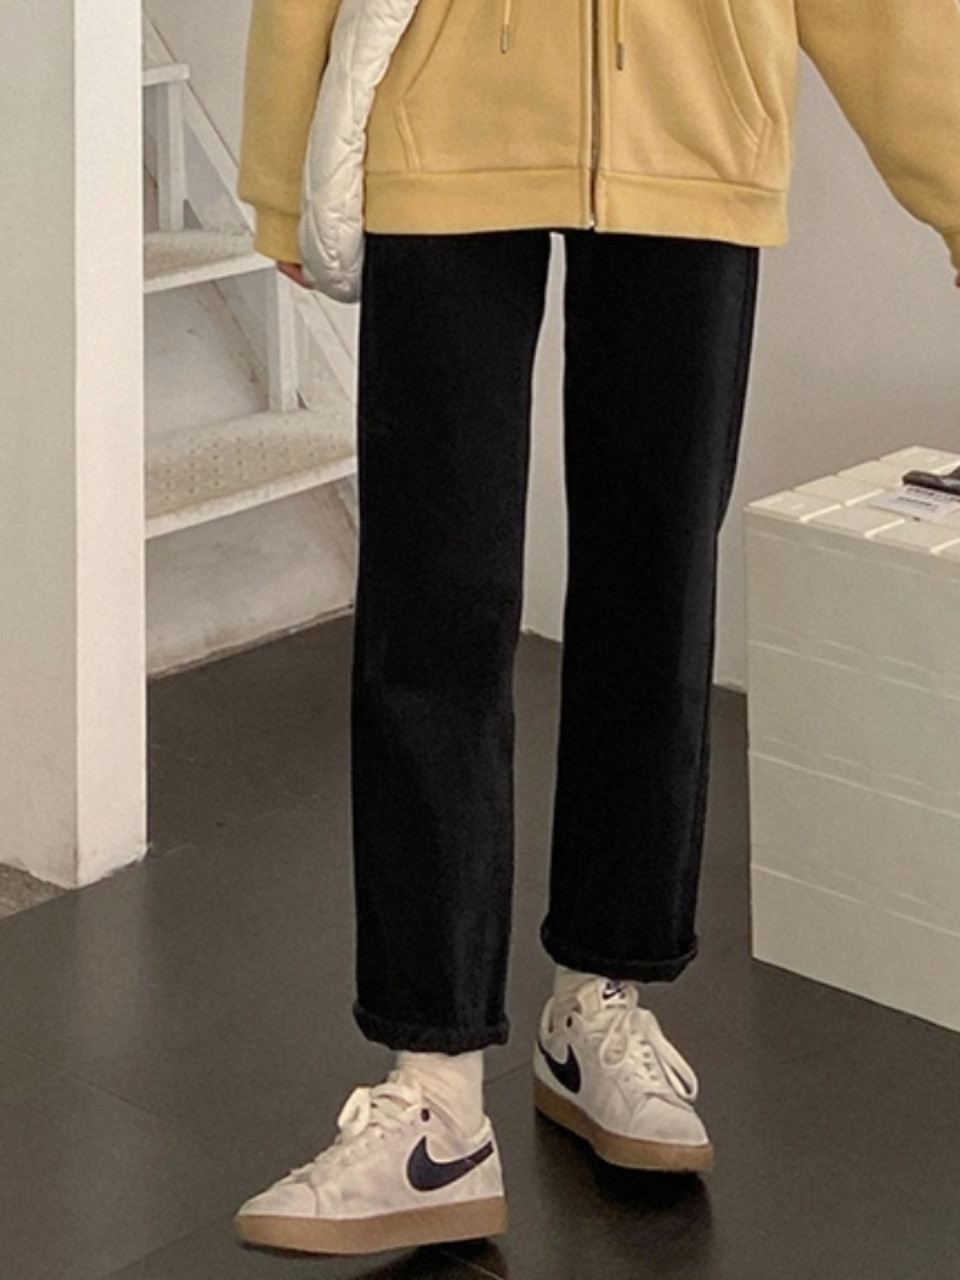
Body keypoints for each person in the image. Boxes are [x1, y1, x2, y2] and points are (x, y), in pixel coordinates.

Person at [231, 0, 960, 1258]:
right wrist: (278, 163)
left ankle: (598, 1004)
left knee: (655, 592)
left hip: (697, 125)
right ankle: (433, 1086)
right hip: (444, 118)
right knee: (433, 607)